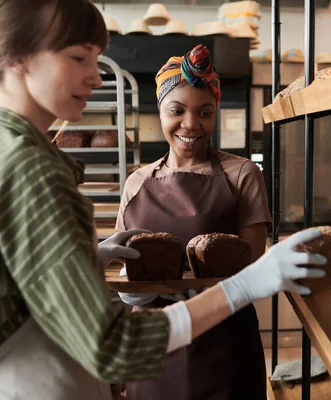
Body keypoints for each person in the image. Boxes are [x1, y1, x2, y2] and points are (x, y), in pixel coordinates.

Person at [0, 1, 328, 399]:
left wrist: (87, 261)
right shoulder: (32, 169)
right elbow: (112, 346)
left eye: (96, 59)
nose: (97, 78)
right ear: (17, 58)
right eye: (79, 57)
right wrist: (246, 284)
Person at [113, 44, 274, 399]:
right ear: (160, 111)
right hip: (154, 346)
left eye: (205, 112)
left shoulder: (242, 174)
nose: (191, 124)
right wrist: (132, 290)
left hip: (223, 344)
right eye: (177, 110)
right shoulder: (137, 182)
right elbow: (125, 268)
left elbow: (253, 271)